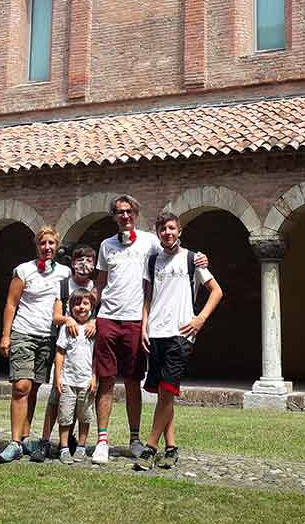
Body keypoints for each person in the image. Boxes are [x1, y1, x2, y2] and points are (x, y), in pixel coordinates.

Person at [91, 194, 209, 465]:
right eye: (120, 212)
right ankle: (102, 441)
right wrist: (89, 315)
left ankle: (136, 439)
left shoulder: (151, 241)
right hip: (109, 318)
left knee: (134, 382)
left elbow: (174, 248)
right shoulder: (106, 246)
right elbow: (100, 283)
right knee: (106, 380)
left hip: (138, 322)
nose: (125, 216)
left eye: (129, 211)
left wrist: (199, 257)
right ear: (114, 216)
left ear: (136, 214)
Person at [134, 212, 222, 471]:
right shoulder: (152, 261)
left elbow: (217, 291)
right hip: (156, 333)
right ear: (158, 233)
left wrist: (200, 318)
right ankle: (171, 447)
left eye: (172, 228)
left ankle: (150, 447)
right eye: (163, 229)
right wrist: (143, 327)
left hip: (181, 334)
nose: (167, 233)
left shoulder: (193, 259)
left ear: (179, 231)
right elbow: (148, 298)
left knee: (167, 391)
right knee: (164, 393)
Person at [0, 226, 69, 463]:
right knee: (21, 387)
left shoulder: (64, 273)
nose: (47, 248)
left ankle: (26, 437)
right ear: (36, 246)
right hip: (23, 333)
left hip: (47, 337)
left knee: (35, 388)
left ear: (57, 247)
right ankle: (15, 441)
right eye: (43, 243)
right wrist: (6, 336)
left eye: (51, 244)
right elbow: (11, 303)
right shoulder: (24, 270)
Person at [33, 244, 98, 462]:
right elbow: (56, 316)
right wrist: (68, 319)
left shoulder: (95, 287)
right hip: (64, 342)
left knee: (82, 403)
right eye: (80, 260)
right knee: (56, 397)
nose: (84, 265)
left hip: (86, 346)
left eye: (89, 261)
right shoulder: (62, 286)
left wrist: (95, 322)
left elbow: (99, 313)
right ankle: (44, 441)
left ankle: (76, 443)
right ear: (72, 263)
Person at [53, 288, 98, 464]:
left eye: (85, 303)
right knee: (65, 416)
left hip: (86, 382)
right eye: (77, 304)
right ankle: (64, 447)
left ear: (92, 307)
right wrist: (58, 377)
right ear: (70, 308)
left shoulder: (93, 330)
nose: (81, 307)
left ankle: (81, 446)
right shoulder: (66, 328)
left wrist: (94, 378)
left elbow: (95, 357)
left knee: (85, 416)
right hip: (68, 380)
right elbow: (60, 353)